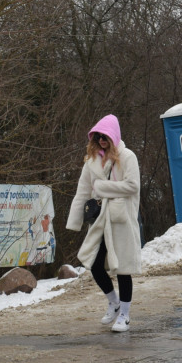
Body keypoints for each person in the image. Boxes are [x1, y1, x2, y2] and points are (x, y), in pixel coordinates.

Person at [66, 115, 141, 333]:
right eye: (98, 136)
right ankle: (114, 302)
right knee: (95, 264)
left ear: (113, 136)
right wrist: (75, 221)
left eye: (105, 136)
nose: (101, 140)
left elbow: (133, 186)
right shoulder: (91, 161)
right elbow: (83, 191)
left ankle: (125, 315)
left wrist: (102, 188)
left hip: (121, 220)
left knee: (123, 268)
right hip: (100, 221)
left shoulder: (127, 157)